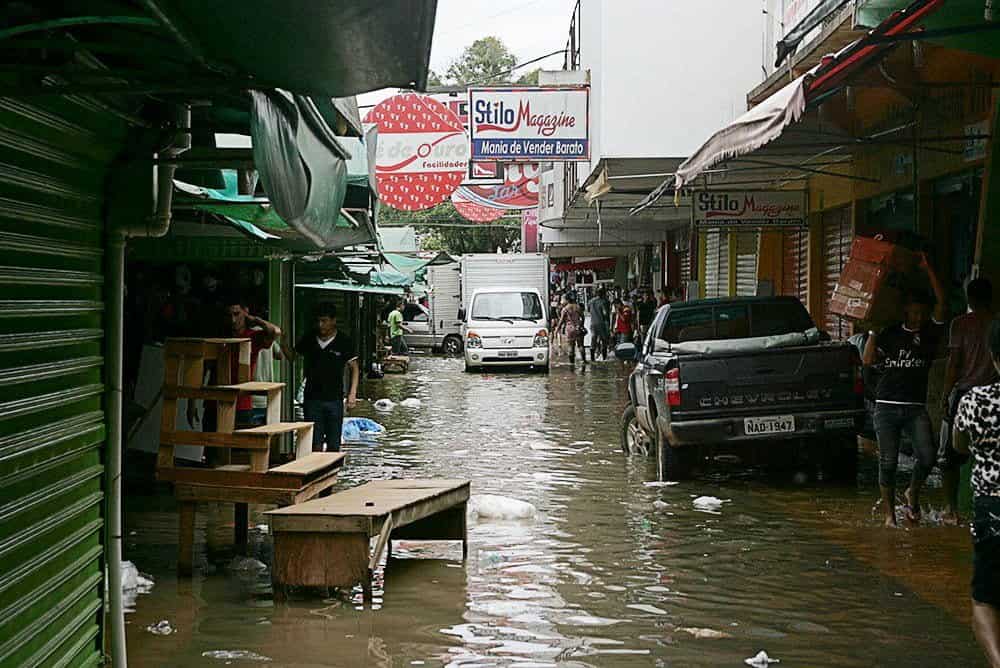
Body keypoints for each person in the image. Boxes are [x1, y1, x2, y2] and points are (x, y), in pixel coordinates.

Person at [862, 252, 947, 527]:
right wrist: (873, 333)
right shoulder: (889, 333)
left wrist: (928, 269)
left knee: (927, 454)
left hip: (914, 408)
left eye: (922, 312)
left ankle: (913, 492)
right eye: (914, 312)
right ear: (905, 312)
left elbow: (942, 304)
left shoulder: (930, 334)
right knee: (887, 463)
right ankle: (890, 516)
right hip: (886, 406)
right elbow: (867, 360)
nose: (919, 316)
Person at [953, 318, 1000, 668]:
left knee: (984, 602)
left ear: (993, 357)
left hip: (991, 511)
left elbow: (958, 446)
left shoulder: (975, 400)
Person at [941, 278, 997, 524]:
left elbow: (953, 364)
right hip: (994, 393)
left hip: (967, 394)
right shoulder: (996, 323)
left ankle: (952, 510)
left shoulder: (960, 325)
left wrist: (945, 394)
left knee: (951, 457)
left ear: (969, 299)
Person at [279, 303, 358, 453]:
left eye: (324, 321)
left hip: (335, 398)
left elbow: (354, 367)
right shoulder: (310, 338)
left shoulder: (344, 341)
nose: (320, 325)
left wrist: (352, 394)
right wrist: (283, 343)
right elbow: (292, 357)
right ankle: (316, 473)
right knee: (314, 442)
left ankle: (332, 474)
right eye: (318, 321)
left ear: (333, 321)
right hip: (312, 398)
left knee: (334, 444)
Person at [557, 292, 587, 366]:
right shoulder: (577, 307)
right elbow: (583, 317)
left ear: (567, 300)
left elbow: (561, 320)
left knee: (571, 346)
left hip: (569, 329)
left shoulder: (565, 309)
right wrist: (582, 325)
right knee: (580, 345)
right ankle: (584, 360)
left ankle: (572, 363)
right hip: (578, 328)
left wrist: (557, 328)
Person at [587, 288, 611, 361]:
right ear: (603, 294)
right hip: (601, 323)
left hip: (593, 323)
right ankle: (604, 358)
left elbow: (588, 310)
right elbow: (605, 313)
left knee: (593, 339)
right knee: (604, 340)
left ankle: (592, 358)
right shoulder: (604, 301)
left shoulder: (590, 301)